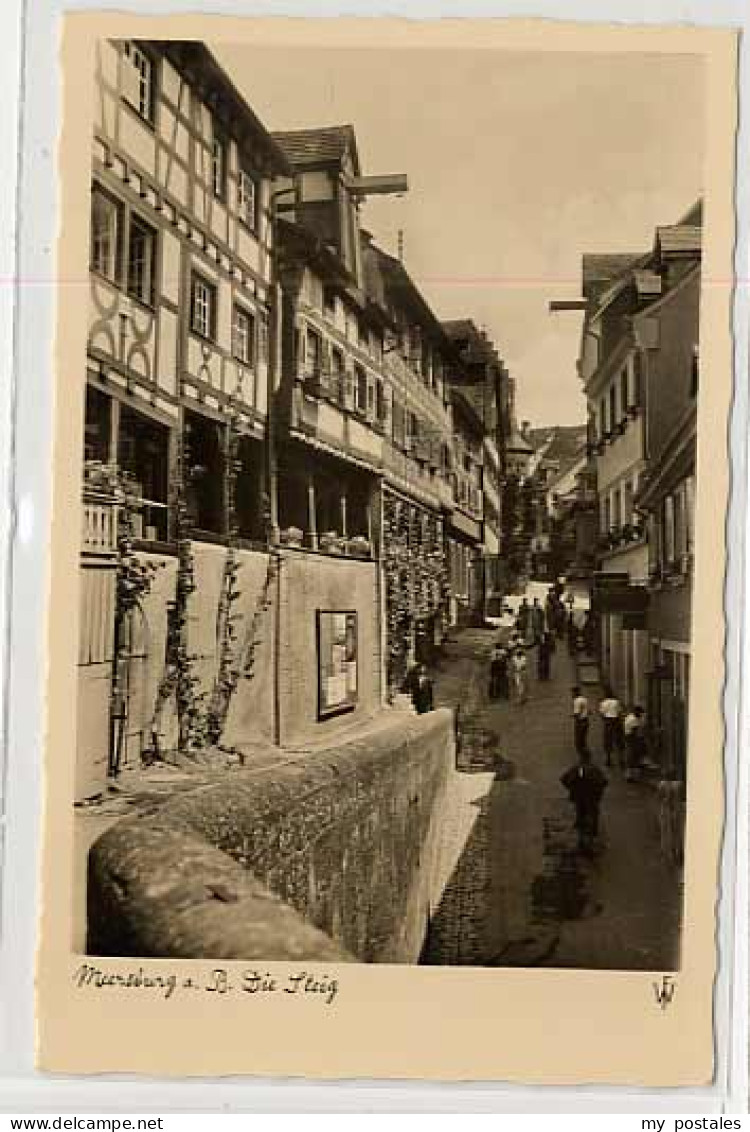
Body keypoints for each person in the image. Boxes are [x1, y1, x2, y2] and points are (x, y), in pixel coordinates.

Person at [561, 750, 608, 857]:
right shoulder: (594, 769)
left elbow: (564, 779)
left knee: (581, 817)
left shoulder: (577, 768)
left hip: (579, 798)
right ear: (589, 758)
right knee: (593, 818)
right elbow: (604, 782)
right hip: (591, 799)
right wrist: (597, 793)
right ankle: (590, 842)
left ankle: (582, 842)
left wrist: (572, 789)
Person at [598, 686, 623, 768]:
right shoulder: (616, 702)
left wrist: (605, 720)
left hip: (608, 721)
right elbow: (619, 712)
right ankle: (620, 759)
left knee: (608, 740)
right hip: (616, 721)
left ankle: (608, 759)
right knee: (618, 739)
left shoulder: (603, 703)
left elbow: (601, 714)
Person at [623, 705, 647, 781]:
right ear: (637, 712)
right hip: (632, 737)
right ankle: (631, 775)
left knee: (632, 754)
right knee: (633, 755)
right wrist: (640, 739)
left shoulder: (631, 716)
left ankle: (631, 774)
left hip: (630, 736)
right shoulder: (632, 719)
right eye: (640, 713)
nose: (641, 715)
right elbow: (635, 731)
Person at [571, 685, 590, 755]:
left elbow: (577, 713)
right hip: (586, 721)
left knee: (578, 742)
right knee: (583, 740)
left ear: (575, 693)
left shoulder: (576, 701)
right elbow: (589, 711)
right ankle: (586, 754)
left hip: (580, 722)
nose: (572, 695)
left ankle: (583, 757)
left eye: (572, 693)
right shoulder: (584, 699)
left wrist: (573, 716)